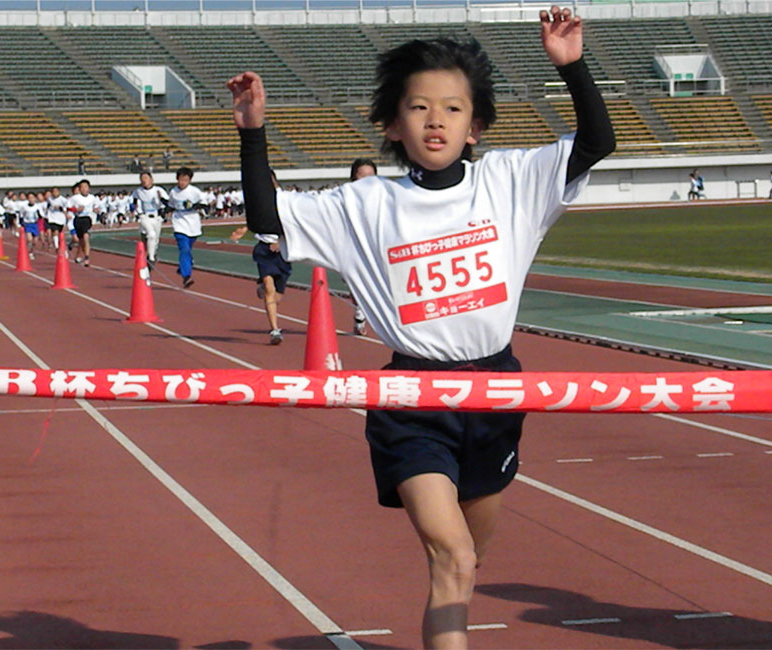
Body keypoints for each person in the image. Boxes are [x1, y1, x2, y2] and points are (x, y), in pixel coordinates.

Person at [229, 7, 614, 648]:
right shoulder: (365, 205)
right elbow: (267, 212)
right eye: (419, 107)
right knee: (454, 558)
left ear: (475, 126)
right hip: (412, 399)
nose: (436, 119)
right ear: (391, 123)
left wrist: (571, 67)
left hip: (495, 393)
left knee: (464, 567)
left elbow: (597, 142)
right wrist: (252, 130)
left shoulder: (510, 182)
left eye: (453, 109)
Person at [230, 169, 291, 345]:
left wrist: (281, 243)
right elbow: (253, 220)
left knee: (276, 296)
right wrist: (242, 230)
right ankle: (275, 330)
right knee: (270, 289)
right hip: (263, 250)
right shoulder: (259, 201)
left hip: (283, 251)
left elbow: (294, 225)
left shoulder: (285, 200)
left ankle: (263, 290)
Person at [348, 157, 378, 336]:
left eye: (371, 178)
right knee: (359, 285)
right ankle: (360, 315)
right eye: (362, 179)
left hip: (378, 248)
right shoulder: (345, 200)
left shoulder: (385, 198)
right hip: (354, 250)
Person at [167, 166, 211, 288]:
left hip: (193, 225)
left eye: (186, 180)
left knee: (187, 250)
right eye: (181, 179)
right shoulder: (173, 192)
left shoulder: (195, 191)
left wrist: (197, 206)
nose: (183, 182)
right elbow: (170, 205)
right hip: (179, 224)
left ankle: (183, 267)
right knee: (184, 249)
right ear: (177, 179)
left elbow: (205, 204)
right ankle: (186, 276)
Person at [130, 171, 171, 271]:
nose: (144, 181)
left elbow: (168, 204)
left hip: (156, 217)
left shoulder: (159, 190)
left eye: (146, 178)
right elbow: (133, 203)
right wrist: (136, 212)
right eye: (142, 179)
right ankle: (151, 259)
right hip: (144, 216)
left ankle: (152, 255)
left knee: (155, 240)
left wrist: (161, 201)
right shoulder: (138, 191)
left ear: (151, 179)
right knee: (151, 234)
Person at [67, 179, 99, 267]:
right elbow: (68, 208)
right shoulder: (74, 198)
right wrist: (76, 210)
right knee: (81, 240)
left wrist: (96, 210)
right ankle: (78, 255)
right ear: (80, 189)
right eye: (82, 187)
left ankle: (87, 257)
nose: (84, 189)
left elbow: (96, 207)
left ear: (89, 189)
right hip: (78, 219)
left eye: (86, 187)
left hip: (87, 219)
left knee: (86, 237)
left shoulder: (92, 198)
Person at [18, 193, 41, 260]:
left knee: (35, 241)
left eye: (32, 198)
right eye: (30, 198)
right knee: (29, 239)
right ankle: (30, 253)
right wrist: (21, 223)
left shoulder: (37, 207)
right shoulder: (24, 207)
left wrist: (39, 214)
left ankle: (32, 249)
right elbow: (21, 215)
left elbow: (41, 216)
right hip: (28, 224)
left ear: (35, 199)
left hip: (35, 224)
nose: (31, 199)